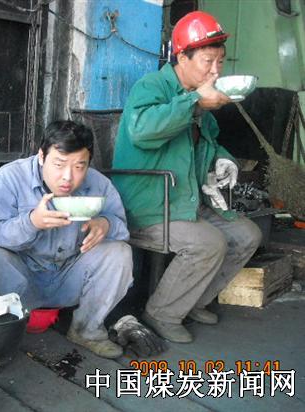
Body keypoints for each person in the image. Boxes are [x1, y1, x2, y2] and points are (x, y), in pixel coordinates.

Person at [111, 11, 262, 343]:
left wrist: (223, 160)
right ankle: (162, 313)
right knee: (209, 243)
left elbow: (210, 142)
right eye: (208, 61)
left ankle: (193, 301)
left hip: (187, 200)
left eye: (220, 62)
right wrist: (194, 102)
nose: (216, 71)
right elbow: (142, 131)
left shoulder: (201, 98)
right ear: (182, 58)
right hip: (149, 204)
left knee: (247, 235)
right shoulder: (152, 87)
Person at [0, 120, 134, 359]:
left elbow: (122, 230)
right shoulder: (10, 177)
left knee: (120, 252)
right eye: (59, 164)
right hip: (21, 279)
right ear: (41, 156)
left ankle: (87, 330)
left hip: (70, 275)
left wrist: (105, 224)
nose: (68, 177)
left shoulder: (99, 184)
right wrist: (31, 222)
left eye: (79, 166)